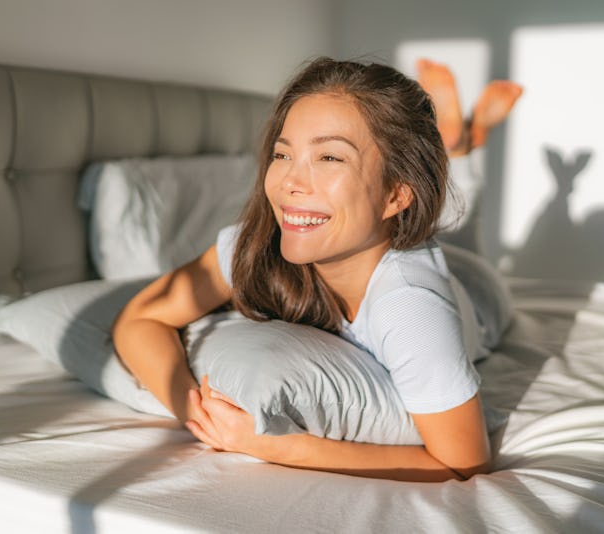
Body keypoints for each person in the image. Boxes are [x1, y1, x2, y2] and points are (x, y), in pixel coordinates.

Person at [112, 57, 516, 483]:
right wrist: (191, 408)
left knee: (465, 241)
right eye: (282, 153)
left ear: (395, 194)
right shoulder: (255, 244)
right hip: (394, 243)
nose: (289, 181)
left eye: (328, 157)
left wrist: (276, 445)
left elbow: (463, 463)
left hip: (475, 296)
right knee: (447, 231)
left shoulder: (412, 308)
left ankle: (462, 152)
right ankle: (458, 145)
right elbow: (140, 318)